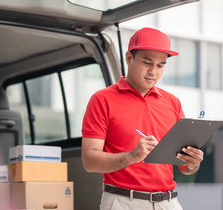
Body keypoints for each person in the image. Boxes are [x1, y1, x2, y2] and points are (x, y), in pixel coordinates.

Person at [81, 27, 204, 210]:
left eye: (160, 65)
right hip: (123, 202)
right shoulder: (102, 100)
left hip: (168, 203)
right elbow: (89, 161)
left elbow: (184, 168)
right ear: (129, 58)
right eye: (147, 63)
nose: (153, 72)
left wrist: (193, 163)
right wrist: (132, 156)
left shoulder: (173, 103)